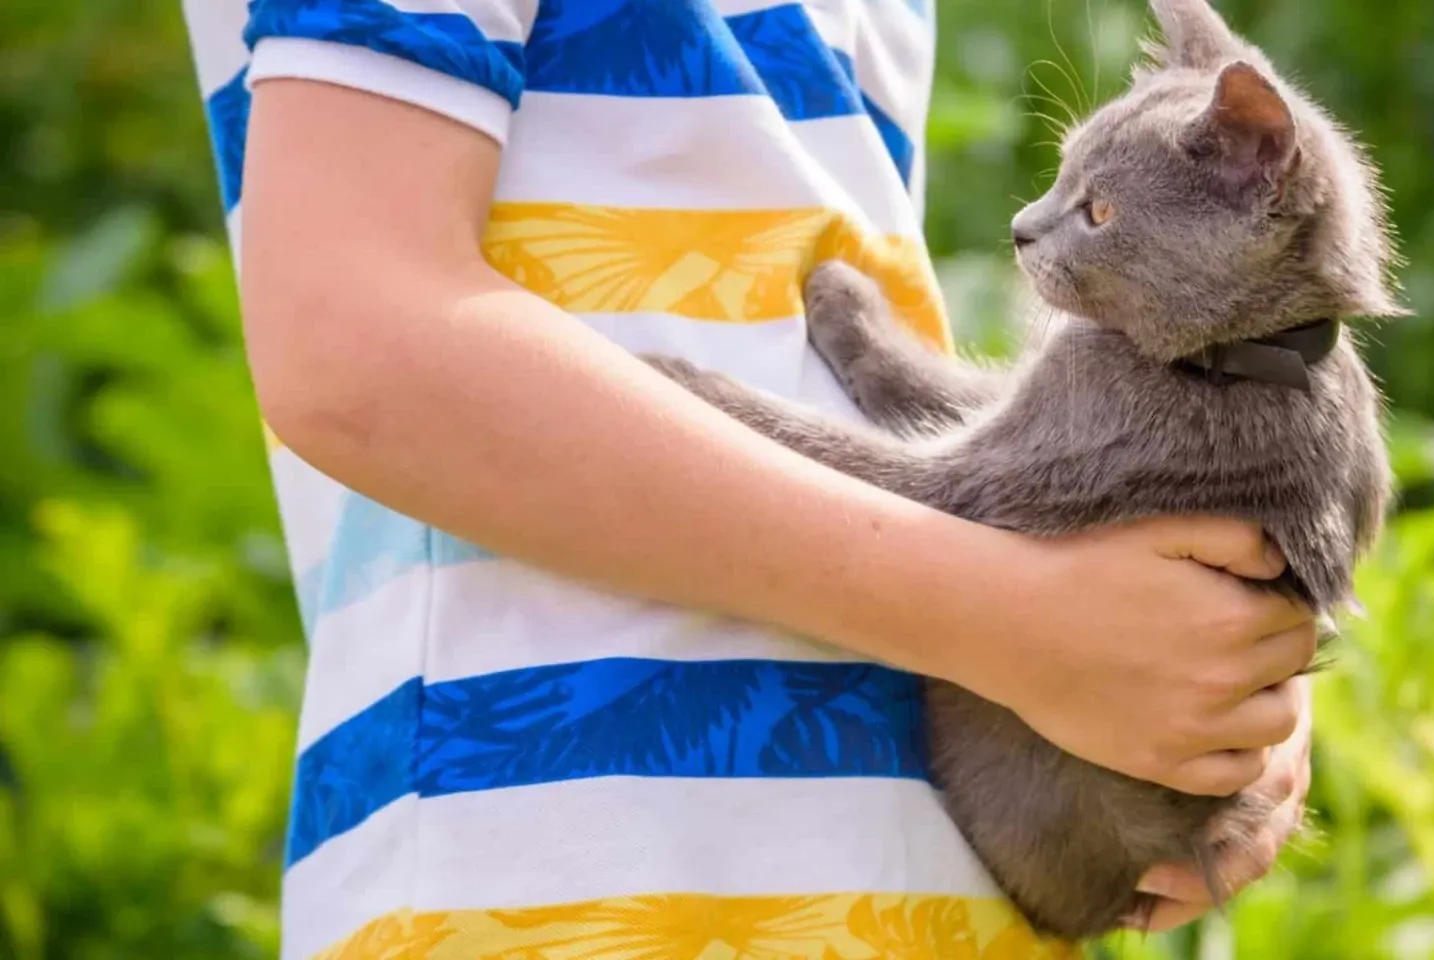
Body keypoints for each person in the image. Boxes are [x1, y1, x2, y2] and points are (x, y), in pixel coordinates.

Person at [178, 0, 1318, 956]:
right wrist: (1016, 618)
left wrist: (1215, 670)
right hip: (565, 875)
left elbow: (834, 359)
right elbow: (356, 344)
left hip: (943, 888)